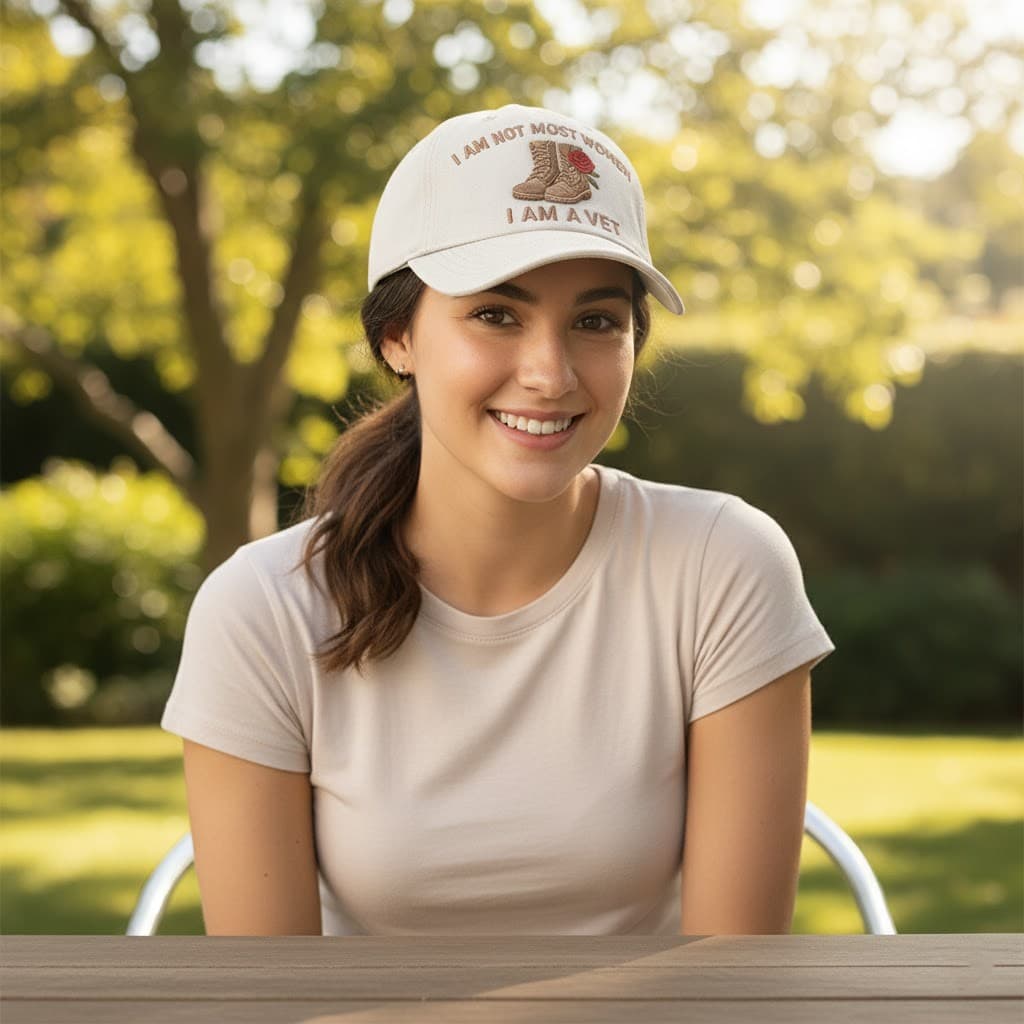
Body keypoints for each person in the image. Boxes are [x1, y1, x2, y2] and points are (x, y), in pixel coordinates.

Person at [160, 103, 835, 937]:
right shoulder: (263, 608)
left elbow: (730, 980)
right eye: (495, 314)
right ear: (396, 336)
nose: (550, 375)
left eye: (595, 321)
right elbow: (271, 997)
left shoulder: (721, 566)